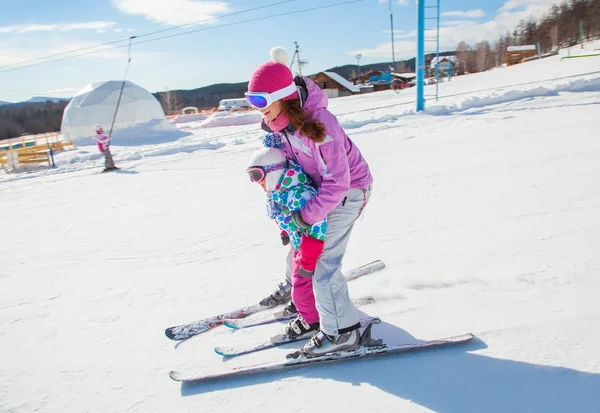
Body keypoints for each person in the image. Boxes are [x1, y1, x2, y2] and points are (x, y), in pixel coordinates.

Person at [246, 47, 373, 357]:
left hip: (348, 191)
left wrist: (306, 217)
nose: (262, 115)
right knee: (300, 249)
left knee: (323, 266)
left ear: (284, 96)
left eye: (265, 106)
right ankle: (307, 304)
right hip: (319, 190)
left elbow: (338, 182)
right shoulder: (280, 127)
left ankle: (342, 334)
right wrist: (290, 217)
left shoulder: (320, 123)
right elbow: (291, 172)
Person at [247, 142, 326, 339]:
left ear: (274, 172)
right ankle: (307, 306)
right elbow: (283, 215)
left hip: (311, 251)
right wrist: (284, 231)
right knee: (296, 278)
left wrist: (308, 256)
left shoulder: (299, 194)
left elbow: (318, 225)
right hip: (302, 247)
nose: (260, 185)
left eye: (261, 179)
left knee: (301, 287)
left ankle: (311, 322)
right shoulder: (282, 192)